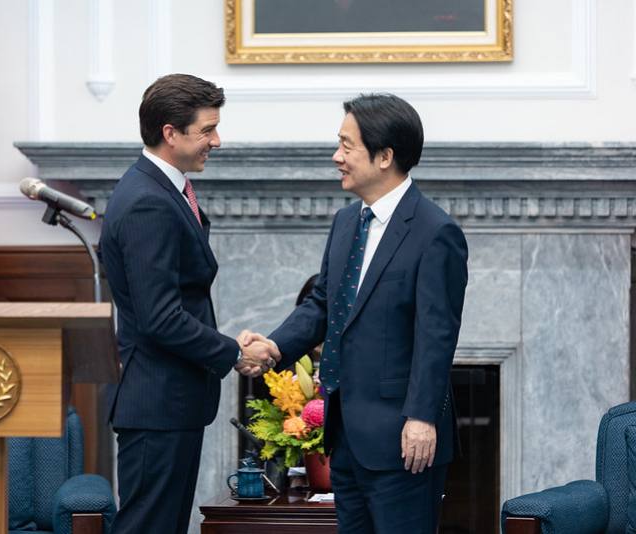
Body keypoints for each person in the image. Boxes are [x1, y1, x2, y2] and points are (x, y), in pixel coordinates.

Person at [240, 93, 468, 533]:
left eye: (347, 146)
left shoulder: (436, 232)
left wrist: (421, 418)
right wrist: (274, 346)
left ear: (385, 156)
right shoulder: (347, 223)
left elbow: (436, 335)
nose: (336, 157)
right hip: (346, 438)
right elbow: (323, 304)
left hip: (404, 440)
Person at [99, 73, 279, 534]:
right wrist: (233, 353)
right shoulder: (147, 201)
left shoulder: (164, 190)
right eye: (206, 131)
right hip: (157, 402)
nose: (216, 141)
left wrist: (222, 343)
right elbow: (160, 318)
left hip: (170, 401)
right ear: (170, 133)